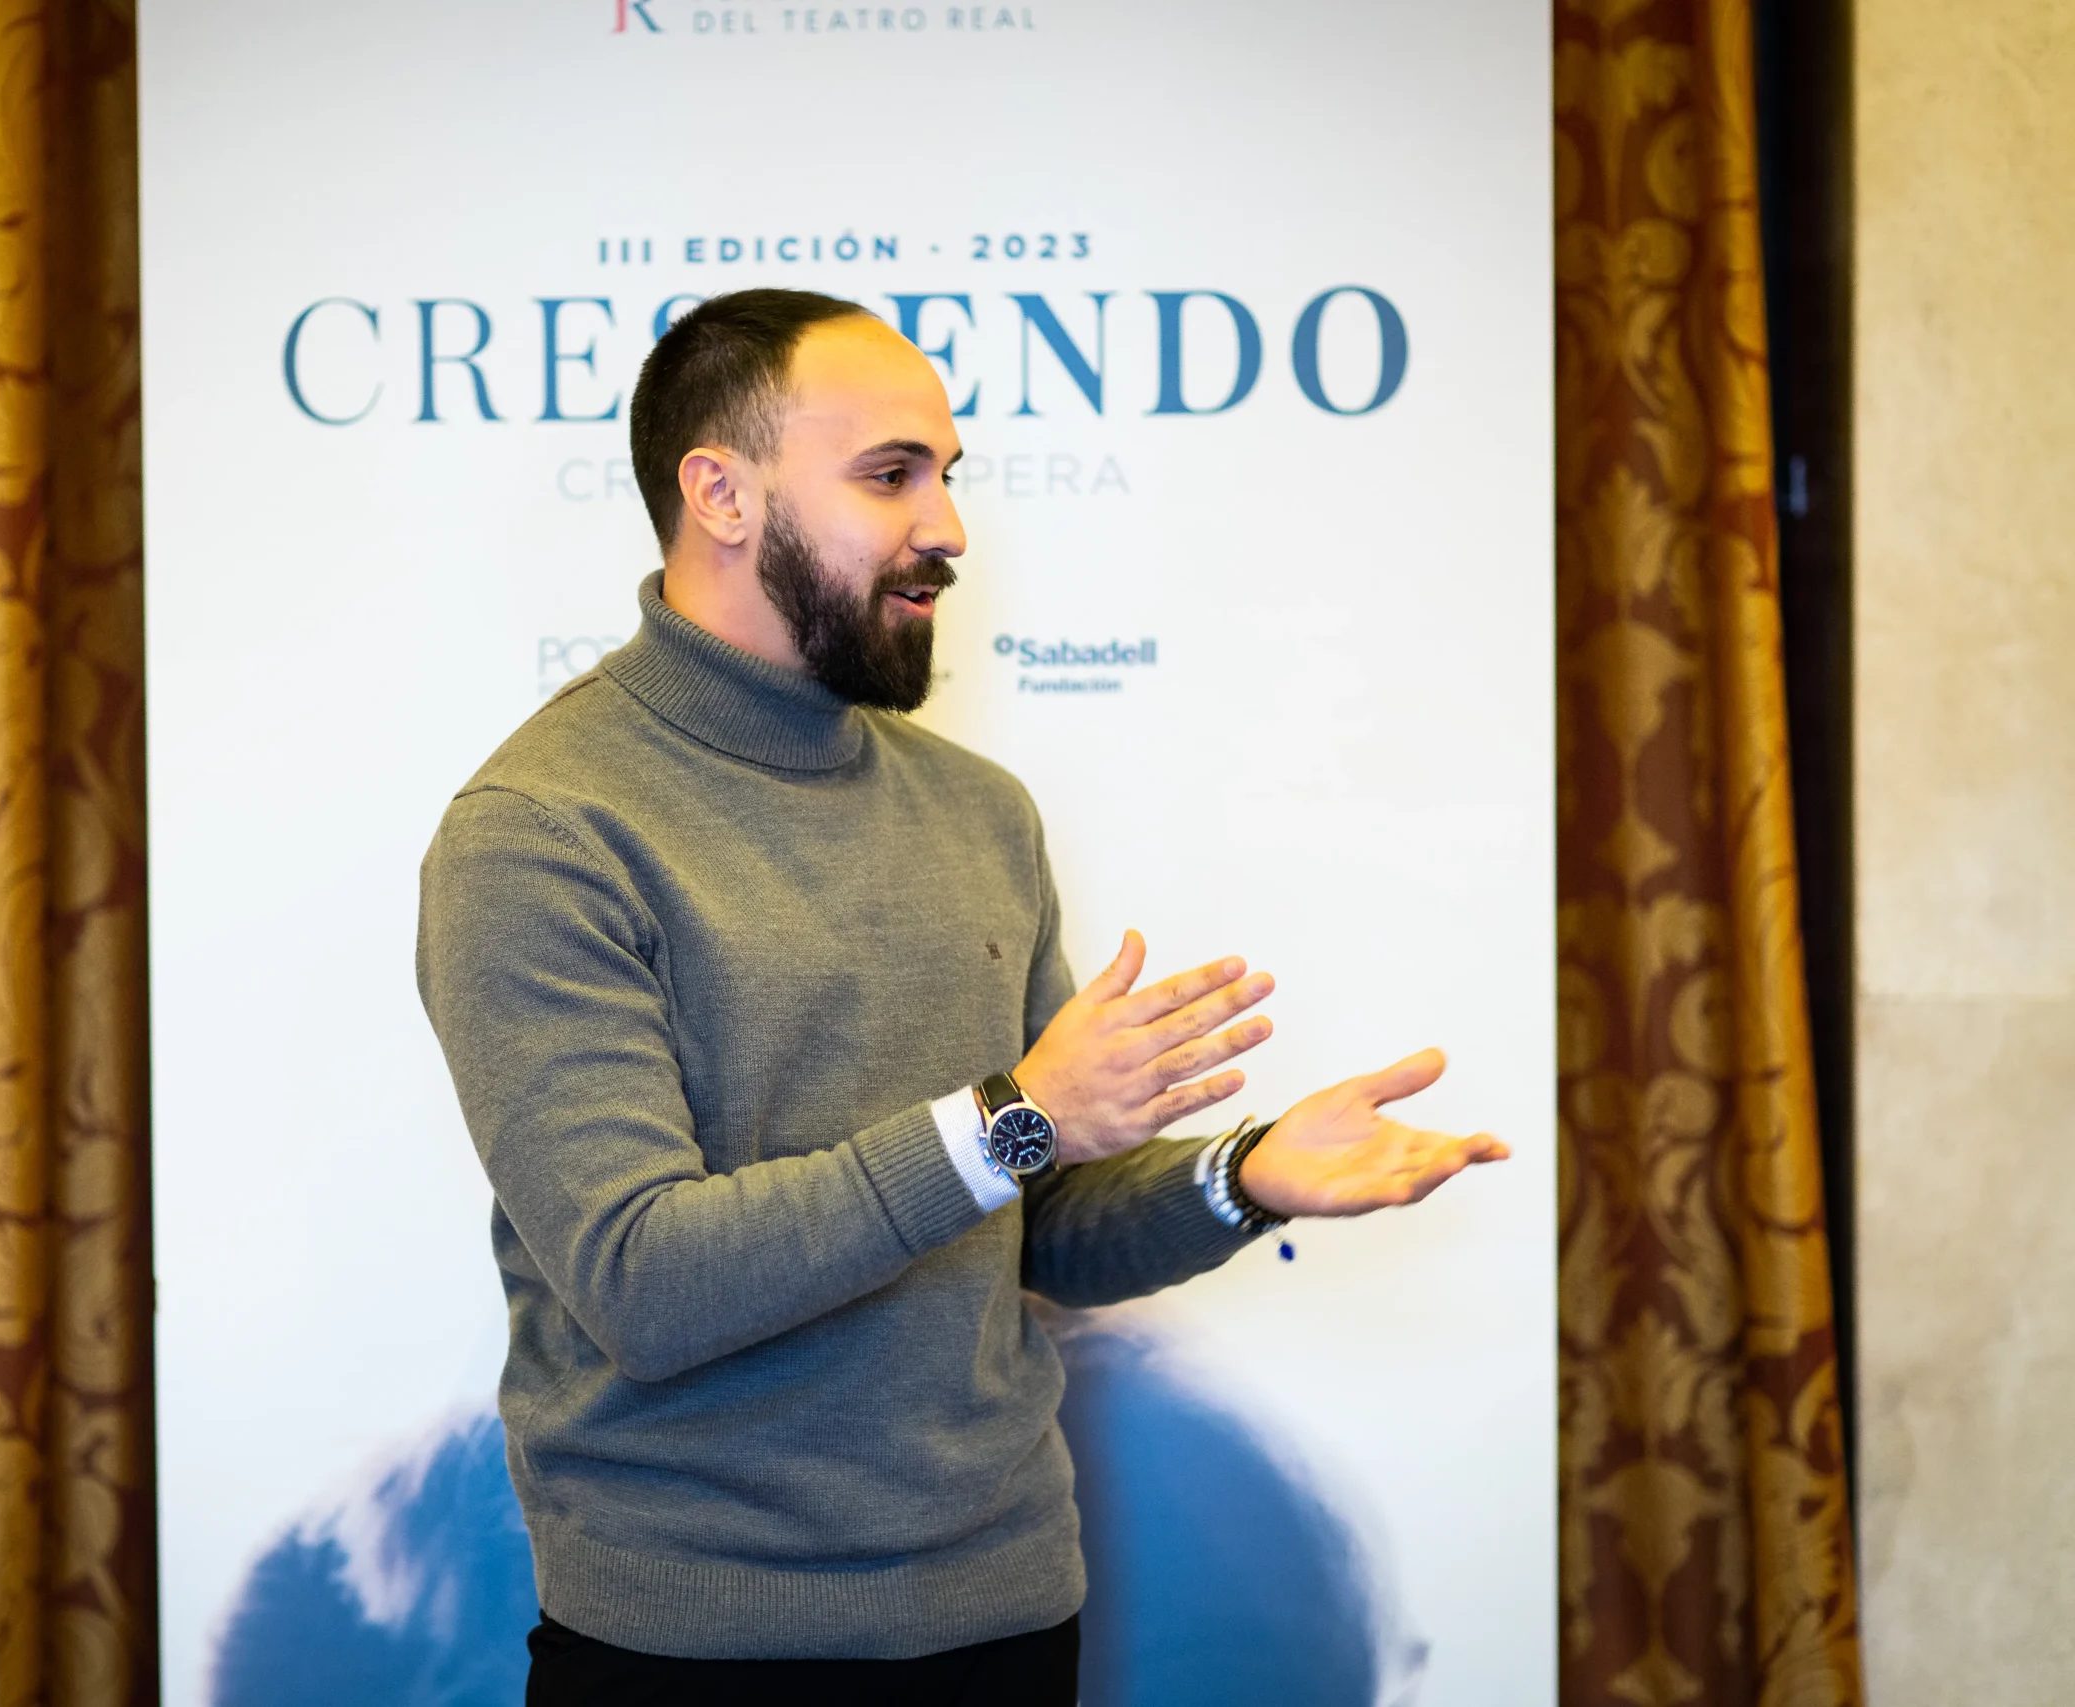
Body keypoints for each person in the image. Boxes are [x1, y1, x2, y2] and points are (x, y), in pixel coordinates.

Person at [415, 287, 1509, 1706]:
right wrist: (1014, 1116)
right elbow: (646, 1279)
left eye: (946, 473)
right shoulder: (544, 830)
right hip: (695, 1654)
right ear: (720, 494)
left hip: (1007, 1620)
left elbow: (1030, 1221)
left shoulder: (979, 813)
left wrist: (1242, 1178)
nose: (949, 527)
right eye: (890, 475)